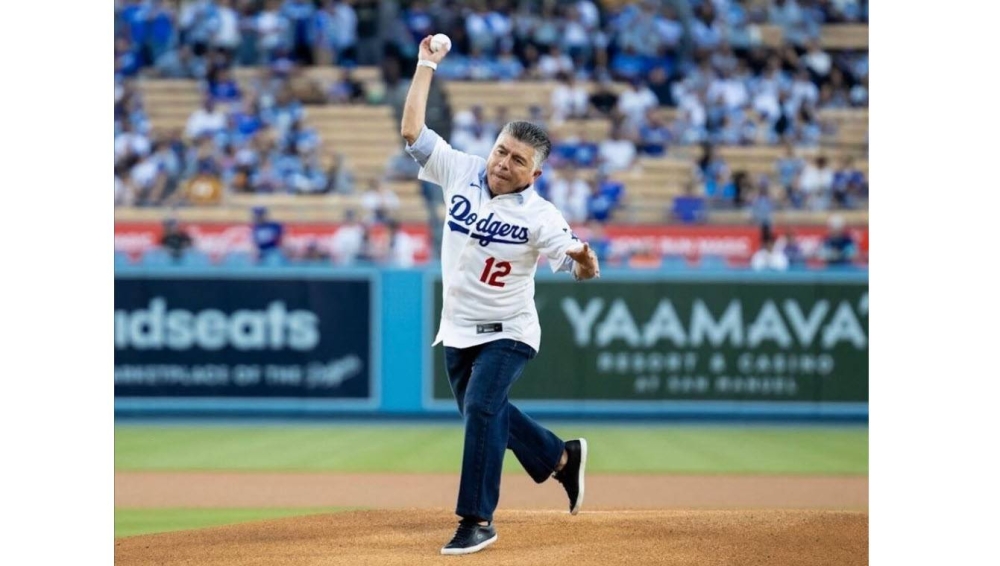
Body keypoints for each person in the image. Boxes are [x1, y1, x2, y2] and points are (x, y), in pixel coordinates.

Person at [401, 34, 600, 556]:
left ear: (536, 172)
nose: (503, 162)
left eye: (518, 160)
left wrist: (582, 258)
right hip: (459, 328)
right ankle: (561, 458)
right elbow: (412, 131)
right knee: (484, 412)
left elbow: (570, 250)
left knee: (484, 410)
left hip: (510, 330)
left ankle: (477, 520)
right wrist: (426, 65)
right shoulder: (461, 170)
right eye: (501, 150)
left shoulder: (540, 215)